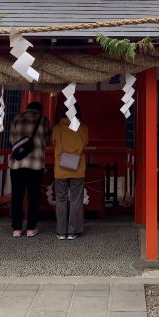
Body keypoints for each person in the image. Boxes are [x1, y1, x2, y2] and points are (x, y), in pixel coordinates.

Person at [9, 100, 50, 238]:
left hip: (17, 164)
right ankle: (31, 228)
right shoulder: (43, 119)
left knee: (17, 196)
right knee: (34, 196)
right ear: (40, 110)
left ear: (27, 108)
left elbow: (11, 139)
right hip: (36, 164)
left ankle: (17, 228)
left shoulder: (16, 118)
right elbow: (48, 138)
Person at [52, 103, 89, 240]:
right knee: (76, 200)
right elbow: (85, 143)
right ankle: (74, 230)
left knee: (60, 200)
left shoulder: (56, 128)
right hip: (77, 168)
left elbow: (52, 141)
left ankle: (61, 231)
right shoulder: (83, 128)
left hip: (60, 169)